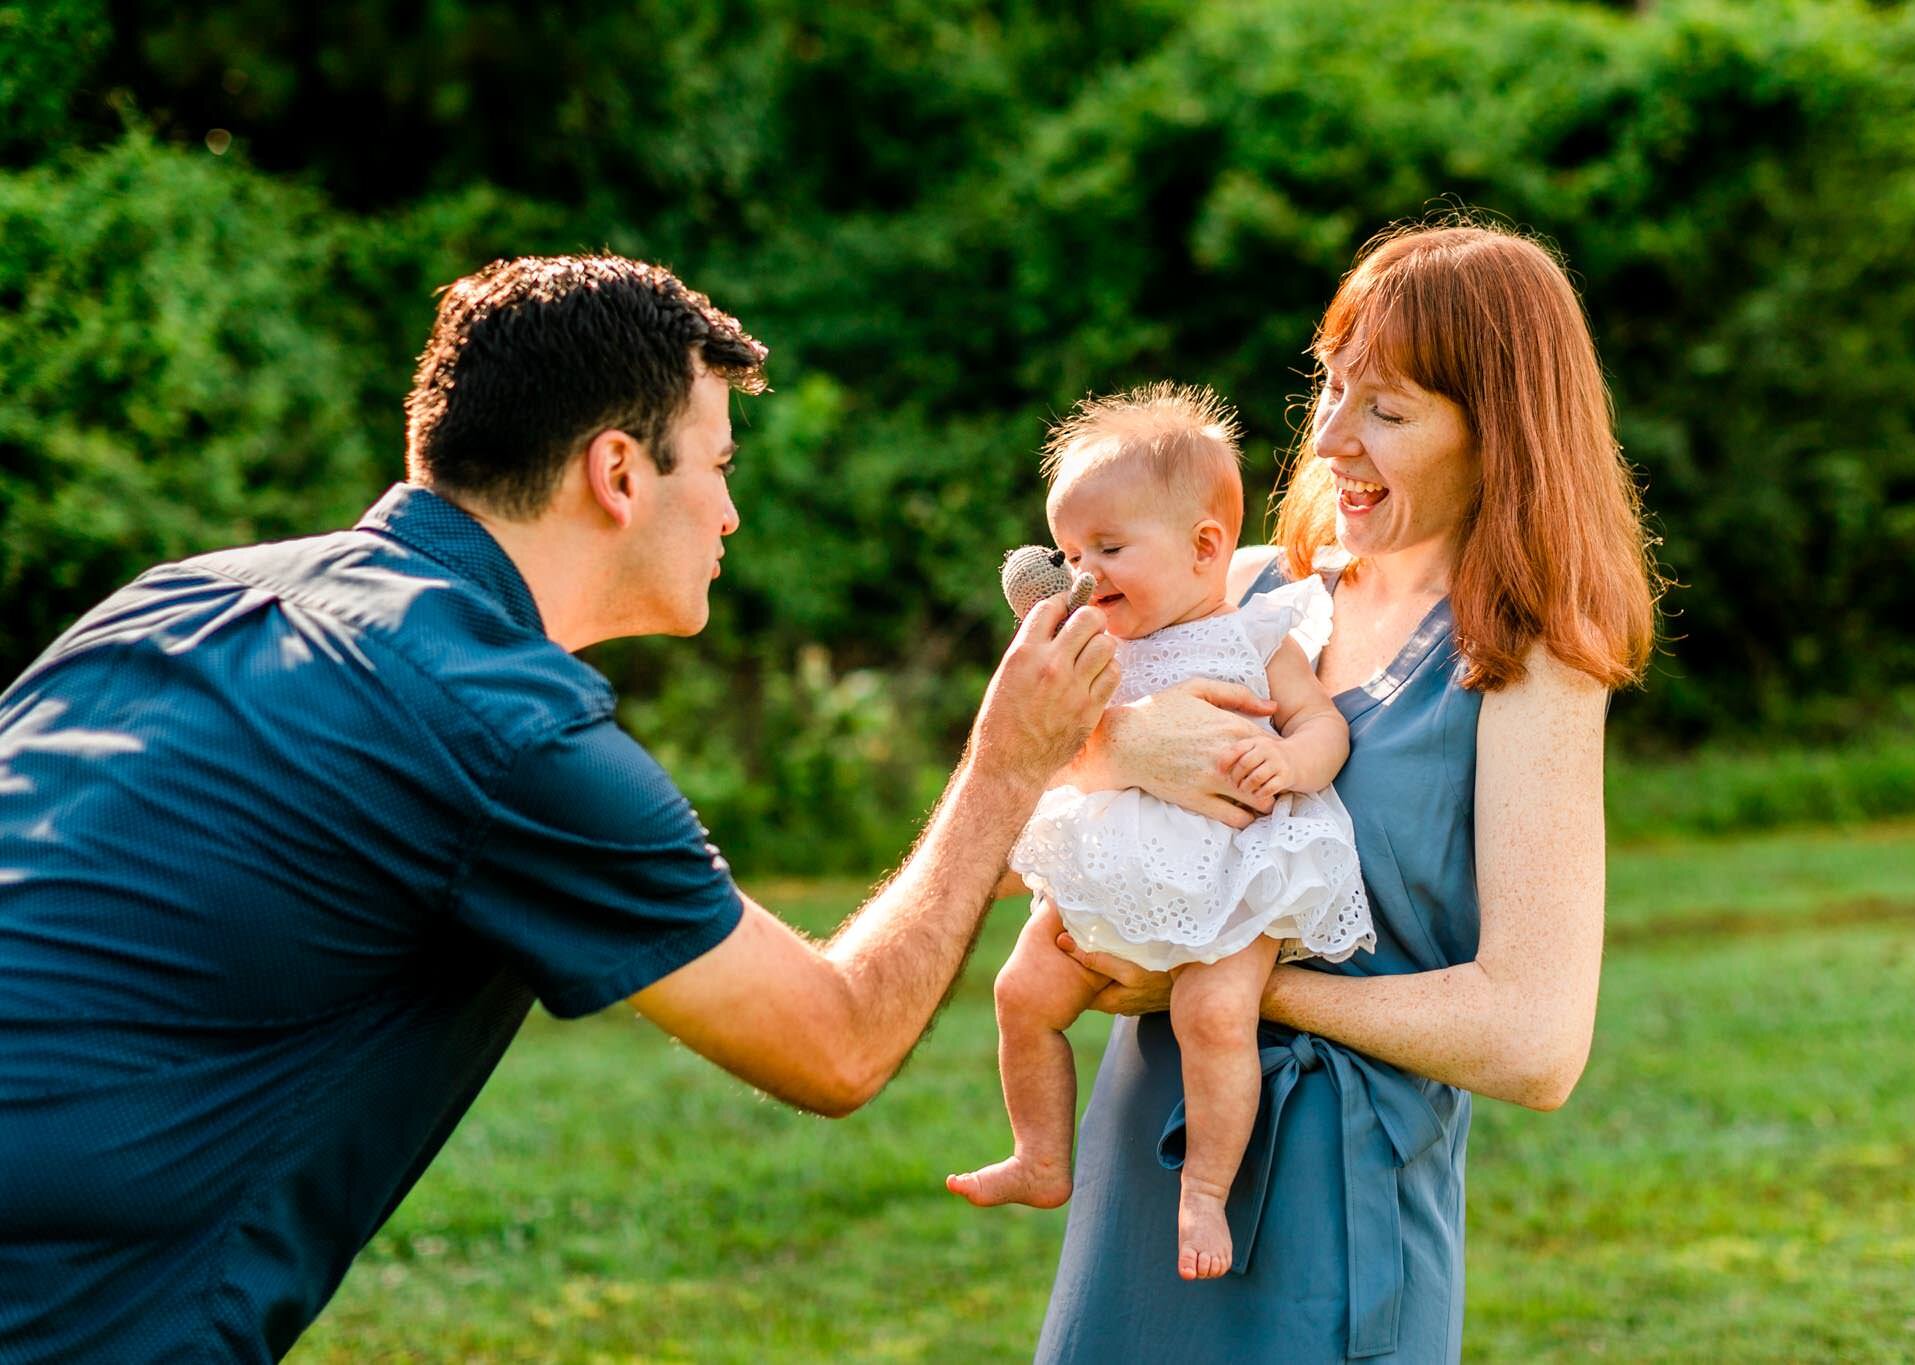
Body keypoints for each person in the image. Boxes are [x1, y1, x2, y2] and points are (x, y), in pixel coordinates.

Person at [0, 253, 1118, 1363]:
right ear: (618, 473)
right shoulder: (491, 721)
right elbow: (836, 1044)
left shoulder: (172, 598)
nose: (730, 513)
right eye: (718, 467)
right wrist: (1004, 768)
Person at [1030, 221, 1660, 1362]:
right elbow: (1031, 748)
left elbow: (1534, 1041)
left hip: (1334, 1199)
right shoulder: (1257, 587)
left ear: (1497, 431)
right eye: (1329, 386)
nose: (1326, 438)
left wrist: (1229, 981)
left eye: (1388, 409)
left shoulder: (1528, 662)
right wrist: (1122, 749)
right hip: (1147, 1151)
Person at [944, 383, 1376, 1283]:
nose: (1081, 573)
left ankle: (1207, 1190)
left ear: (1204, 547)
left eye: (1107, 547)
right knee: (1022, 991)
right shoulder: (1091, 645)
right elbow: (1047, 751)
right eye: (1068, 550)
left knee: (1213, 1012)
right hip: (1113, 873)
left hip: (1235, 873)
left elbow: (1321, 724)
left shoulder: (1256, 633)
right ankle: (1040, 1156)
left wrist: (1295, 766)